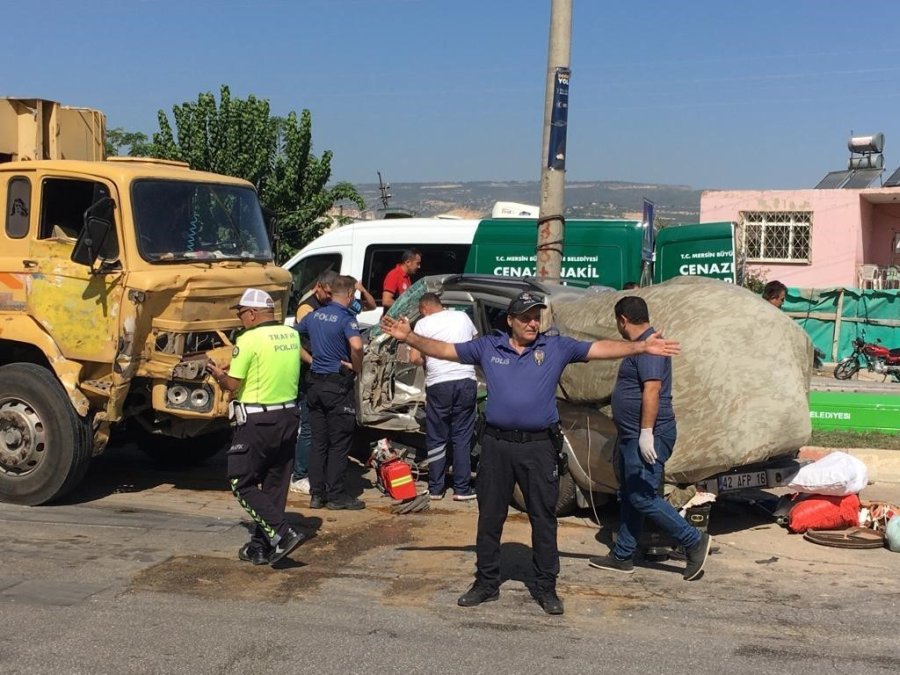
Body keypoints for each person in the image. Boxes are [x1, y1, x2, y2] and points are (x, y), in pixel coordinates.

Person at [380, 291, 680, 616]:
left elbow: (599, 349)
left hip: (539, 447)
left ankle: (546, 585)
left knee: (544, 518)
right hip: (496, 445)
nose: (532, 322)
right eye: (525, 317)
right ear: (510, 320)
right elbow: (444, 350)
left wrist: (640, 346)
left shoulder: (555, 347)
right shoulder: (487, 346)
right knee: (490, 517)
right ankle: (486, 582)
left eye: (536, 316)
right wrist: (409, 336)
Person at [588, 296, 710, 581]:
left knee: (642, 496)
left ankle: (693, 540)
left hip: (649, 434)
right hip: (634, 434)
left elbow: (652, 390)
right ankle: (622, 556)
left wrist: (646, 434)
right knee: (631, 495)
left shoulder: (650, 347)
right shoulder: (642, 345)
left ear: (622, 320)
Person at [206, 288, 305, 566]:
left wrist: (219, 375)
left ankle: (283, 534)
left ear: (252, 313)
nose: (240, 319)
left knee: (241, 481)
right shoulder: (291, 334)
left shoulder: (248, 338)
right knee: (275, 484)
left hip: (258, 421)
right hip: (288, 416)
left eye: (241, 314)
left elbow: (233, 385)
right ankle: (260, 546)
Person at [298, 275, 366, 510]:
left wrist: (310, 359)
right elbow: (357, 346)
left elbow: (294, 335)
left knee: (319, 443)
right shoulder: (347, 319)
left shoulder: (314, 315)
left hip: (314, 384)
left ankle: (317, 495)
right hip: (337, 386)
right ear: (349, 295)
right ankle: (337, 496)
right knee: (338, 443)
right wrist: (357, 367)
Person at [408, 293, 479, 501]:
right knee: (462, 437)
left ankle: (436, 489)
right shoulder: (462, 317)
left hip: (439, 384)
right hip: (466, 381)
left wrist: (425, 358)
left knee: (437, 436)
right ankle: (462, 489)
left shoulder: (422, 324)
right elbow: (475, 345)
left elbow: (414, 358)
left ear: (424, 309)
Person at [290, 270, 338, 495]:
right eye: (328, 293)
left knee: (318, 427)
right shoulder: (306, 308)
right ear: (318, 287)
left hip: (321, 373)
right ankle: (299, 475)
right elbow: (298, 341)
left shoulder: (324, 304)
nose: (330, 297)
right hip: (309, 374)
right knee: (307, 427)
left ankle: (312, 471)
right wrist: (314, 362)